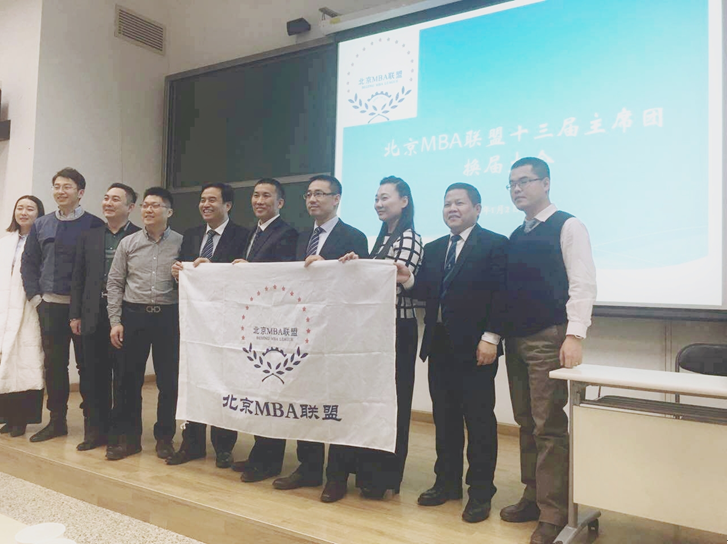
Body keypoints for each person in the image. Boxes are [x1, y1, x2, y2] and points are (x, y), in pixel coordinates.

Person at [498, 157, 596, 544]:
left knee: (548, 425)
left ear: (546, 182)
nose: (517, 189)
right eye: (511, 184)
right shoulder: (516, 233)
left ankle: (554, 512)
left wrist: (575, 335)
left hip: (548, 337)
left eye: (524, 181)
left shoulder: (568, 225)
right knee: (526, 421)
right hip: (516, 338)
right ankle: (533, 495)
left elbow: (583, 282)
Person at [395, 182, 507, 523]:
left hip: (477, 348)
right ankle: (446, 482)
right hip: (439, 345)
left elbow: (502, 295)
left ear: (478, 208)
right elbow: (428, 291)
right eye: (447, 204)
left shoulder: (495, 244)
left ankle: (481, 492)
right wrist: (408, 279)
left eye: (460, 203)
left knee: (479, 422)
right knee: (444, 420)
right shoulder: (435, 247)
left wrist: (491, 337)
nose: (452, 209)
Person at [272, 174, 368, 503]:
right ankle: (309, 467)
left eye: (320, 194)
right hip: (304, 332)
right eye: (309, 194)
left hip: (339, 335)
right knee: (305, 401)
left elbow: (359, 285)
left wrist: (328, 267)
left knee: (337, 404)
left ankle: (337, 476)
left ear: (336, 198)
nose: (313, 199)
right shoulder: (302, 237)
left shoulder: (354, 236)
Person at [338, 176, 423, 499]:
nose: (378, 203)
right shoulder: (382, 239)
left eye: (385, 197)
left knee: (392, 405)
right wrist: (354, 265)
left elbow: (392, 284)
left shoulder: (410, 238)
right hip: (376, 330)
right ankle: (368, 473)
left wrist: (362, 270)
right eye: (376, 198)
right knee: (372, 403)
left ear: (404, 201)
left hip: (398, 330)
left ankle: (384, 477)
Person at [166, 183, 249, 469]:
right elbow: (182, 276)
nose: (205, 205)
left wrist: (213, 267)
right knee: (193, 381)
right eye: (202, 200)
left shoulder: (243, 235)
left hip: (228, 323)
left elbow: (244, 276)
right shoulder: (191, 234)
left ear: (228, 205)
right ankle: (191, 443)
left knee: (224, 382)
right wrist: (178, 272)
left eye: (212, 200)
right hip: (195, 323)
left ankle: (223, 447)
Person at [22, 168, 104, 442]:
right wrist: (36, 298)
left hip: (83, 309)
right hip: (50, 306)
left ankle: (93, 425)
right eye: (56, 186)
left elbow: (98, 268)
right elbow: (29, 263)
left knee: (87, 366)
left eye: (67, 186)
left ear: (80, 192)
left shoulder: (94, 224)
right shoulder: (41, 224)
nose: (60, 191)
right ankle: (57, 421)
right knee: (54, 366)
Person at [228, 178, 298, 482]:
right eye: (255, 195)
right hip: (253, 321)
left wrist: (251, 271)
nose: (259, 200)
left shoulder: (288, 233)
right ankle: (260, 453)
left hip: (275, 323)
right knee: (257, 391)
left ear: (279, 202)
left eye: (266, 196)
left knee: (273, 391)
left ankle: (270, 461)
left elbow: (282, 275)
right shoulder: (250, 233)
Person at [105, 187, 183, 461]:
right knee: (128, 380)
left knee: (168, 381)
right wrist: (115, 321)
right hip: (133, 315)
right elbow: (115, 282)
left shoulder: (182, 243)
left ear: (169, 212)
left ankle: (164, 438)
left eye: (156, 205)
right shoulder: (129, 243)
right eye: (145, 205)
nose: (149, 210)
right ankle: (130, 440)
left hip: (168, 317)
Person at [70, 184, 140, 451]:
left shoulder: (138, 235)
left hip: (125, 314)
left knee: (124, 376)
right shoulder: (89, 236)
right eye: (106, 198)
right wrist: (75, 314)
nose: (108, 203)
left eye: (116, 199)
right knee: (93, 375)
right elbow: (78, 277)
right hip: (92, 313)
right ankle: (95, 431)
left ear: (130, 207)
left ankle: (121, 435)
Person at [0, 196, 46, 437]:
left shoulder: (41, 241)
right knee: (5, 361)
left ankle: (22, 420)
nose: (24, 212)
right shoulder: (5, 242)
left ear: (39, 214)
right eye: (20, 208)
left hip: (28, 308)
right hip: (4, 310)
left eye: (30, 209)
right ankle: (7, 417)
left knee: (27, 361)